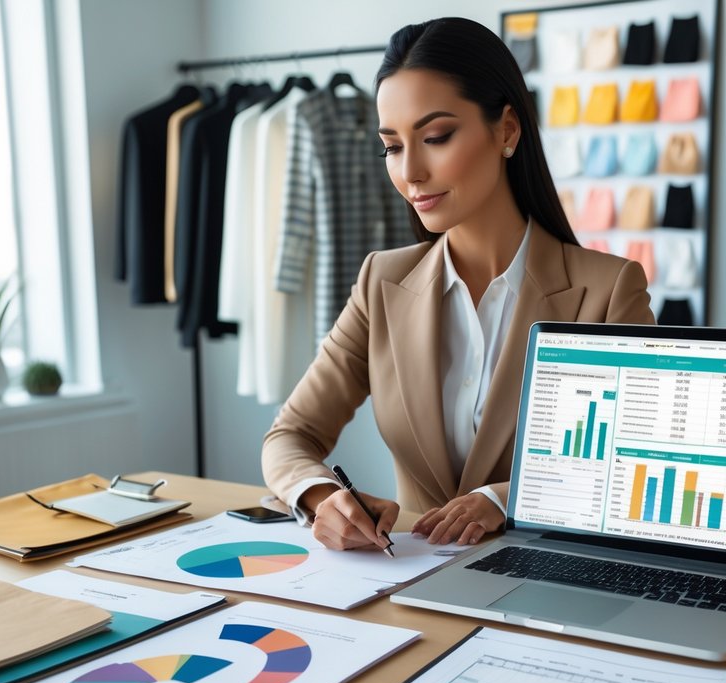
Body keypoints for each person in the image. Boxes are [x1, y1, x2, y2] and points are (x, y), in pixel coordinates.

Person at [262, 17, 655, 552]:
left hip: (553, 582)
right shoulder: (383, 281)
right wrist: (320, 496)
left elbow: (633, 471)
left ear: (508, 130)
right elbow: (290, 437)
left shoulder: (607, 290)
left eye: (436, 137)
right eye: (392, 147)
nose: (411, 172)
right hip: (411, 584)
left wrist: (501, 499)